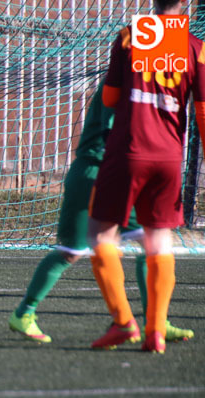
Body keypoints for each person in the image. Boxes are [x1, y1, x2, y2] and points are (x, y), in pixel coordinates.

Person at [9, 82, 194, 344]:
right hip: (94, 173)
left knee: (151, 243)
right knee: (72, 251)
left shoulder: (148, 84)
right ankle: (24, 313)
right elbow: (122, 132)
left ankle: (155, 322)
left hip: (121, 174)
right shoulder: (122, 84)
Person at [88, 0, 205, 353]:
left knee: (100, 233)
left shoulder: (130, 37)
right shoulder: (196, 48)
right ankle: (156, 330)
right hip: (169, 157)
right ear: (186, 4)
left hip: (129, 149)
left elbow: (110, 98)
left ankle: (124, 321)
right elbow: (202, 110)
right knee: (159, 239)